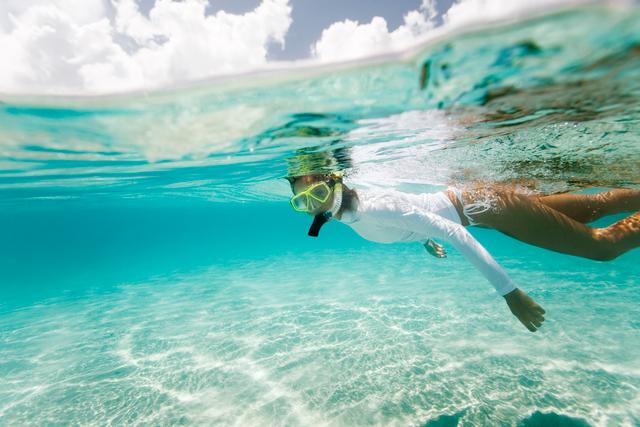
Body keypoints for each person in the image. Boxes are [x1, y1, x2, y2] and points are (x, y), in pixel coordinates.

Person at [287, 173, 640, 332]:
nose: (314, 206)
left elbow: (452, 229)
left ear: (335, 182)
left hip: (487, 207)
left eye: (317, 194)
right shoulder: (354, 213)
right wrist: (424, 239)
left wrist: (510, 293)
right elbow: (415, 214)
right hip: (483, 206)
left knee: (602, 246)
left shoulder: (371, 207)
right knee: (592, 207)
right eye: (302, 202)